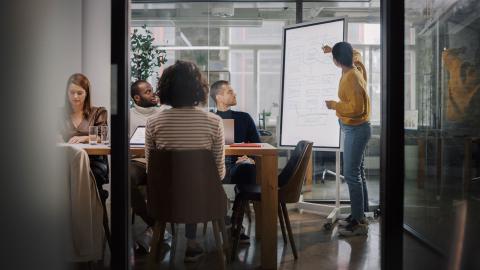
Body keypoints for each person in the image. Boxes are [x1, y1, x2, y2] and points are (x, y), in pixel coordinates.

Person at [145, 60, 225, 262]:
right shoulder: (214, 122)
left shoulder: (153, 122)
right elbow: (219, 173)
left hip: (166, 201)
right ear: (199, 89)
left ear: (165, 89)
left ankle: (159, 240)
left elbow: (151, 170)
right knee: (197, 182)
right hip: (204, 200)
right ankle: (192, 243)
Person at [323, 42, 371, 236]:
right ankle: (360, 214)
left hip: (355, 129)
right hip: (356, 129)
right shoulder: (356, 65)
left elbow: (356, 108)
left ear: (336, 61)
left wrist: (335, 105)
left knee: (351, 175)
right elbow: (356, 53)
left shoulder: (352, 77)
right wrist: (331, 50)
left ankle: (359, 223)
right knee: (357, 172)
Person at [210, 80, 261, 244]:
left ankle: (235, 222)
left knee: (248, 168)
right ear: (219, 97)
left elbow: (257, 144)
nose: (235, 94)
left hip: (236, 166)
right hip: (213, 169)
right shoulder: (209, 119)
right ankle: (227, 220)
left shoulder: (243, 118)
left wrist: (250, 157)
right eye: (230, 91)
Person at [129, 80, 170, 254]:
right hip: (138, 161)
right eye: (147, 92)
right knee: (124, 176)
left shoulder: (163, 112)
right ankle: (155, 225)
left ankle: (156, 229)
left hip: (160, 162)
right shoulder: (128, 115)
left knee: (162, 179)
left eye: (152, 90)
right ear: (137, 98)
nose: (153, 94)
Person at [60, 73, 109, 193]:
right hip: (66, 159)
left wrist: (85, 138)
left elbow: (103, 137)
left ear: (87, 94)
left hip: (93, 160)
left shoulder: (98, 112)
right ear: (67, 93)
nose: (75, 97)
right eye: (72, 92)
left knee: (87, 175)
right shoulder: (59, 114)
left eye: (80, 93)